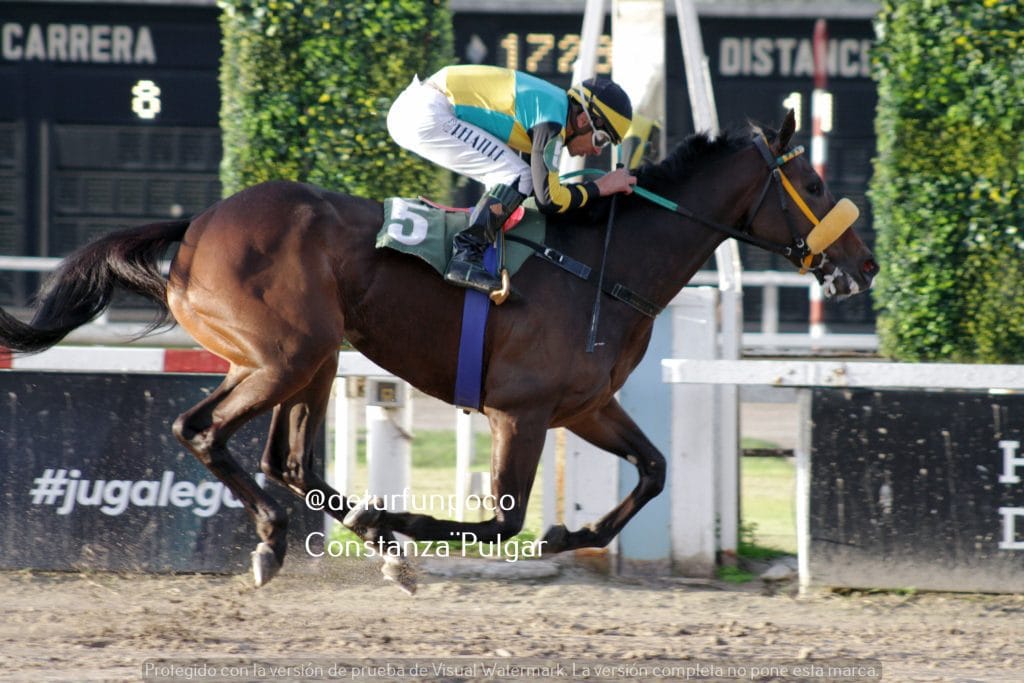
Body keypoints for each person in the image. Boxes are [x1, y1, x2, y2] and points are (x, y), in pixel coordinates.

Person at [387, 64, 637, 295]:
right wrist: (601, 187)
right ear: (583, 120)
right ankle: (465, 255)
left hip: (420, 107)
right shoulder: (551, 122)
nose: (596, 151)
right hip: (426, 113)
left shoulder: (550, 106)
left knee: (514, 175)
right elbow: (549, 200)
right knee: (517, 175)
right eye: (601, 140)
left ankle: (479, 248)